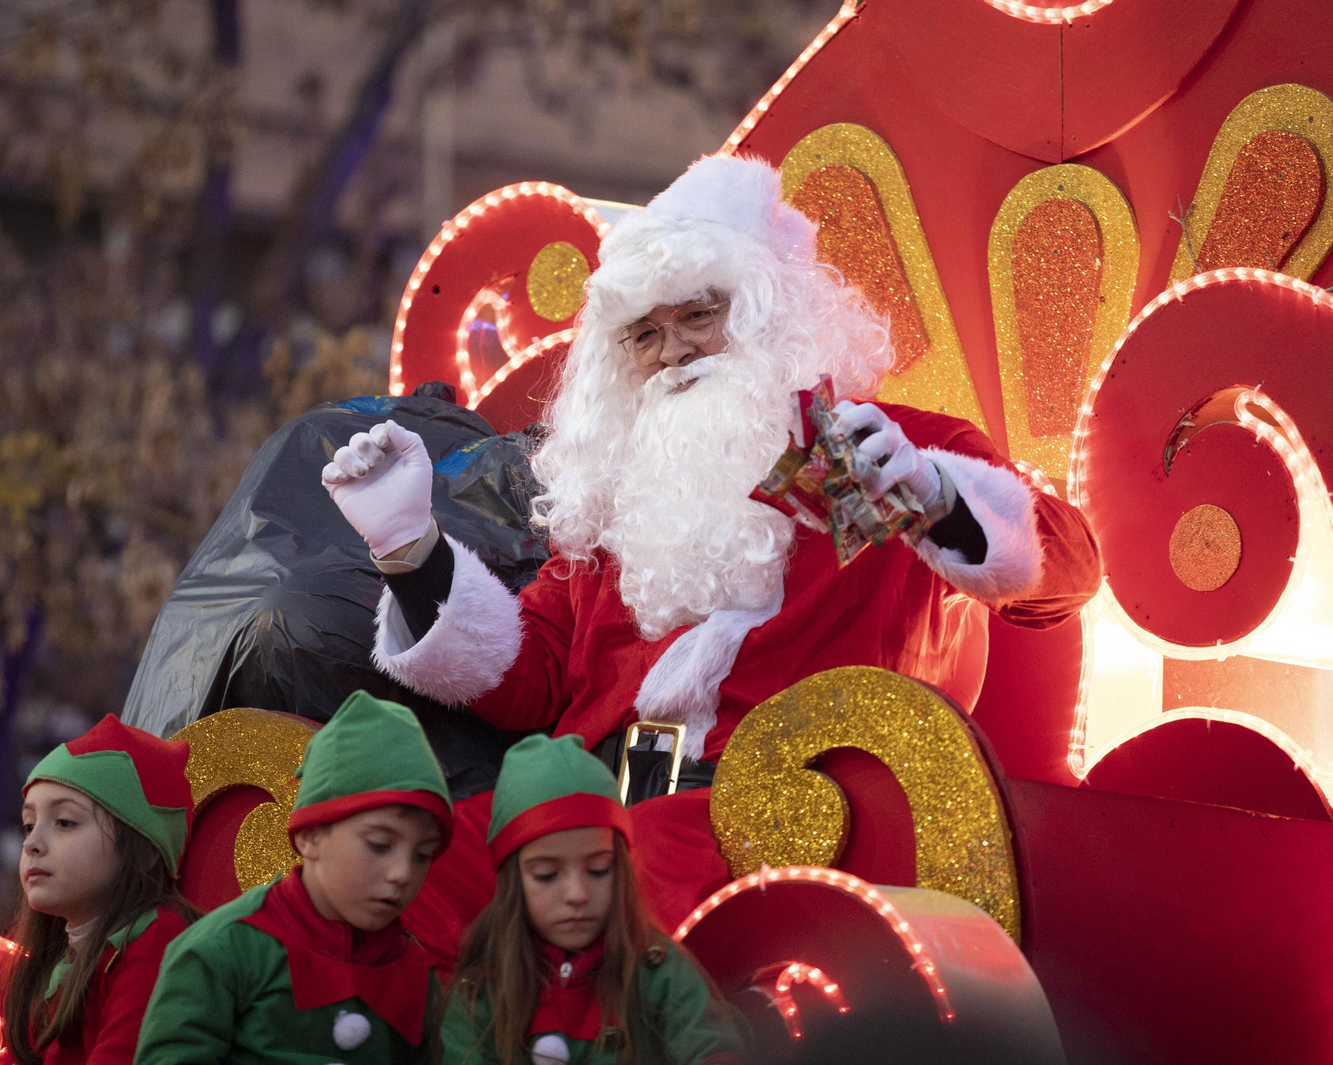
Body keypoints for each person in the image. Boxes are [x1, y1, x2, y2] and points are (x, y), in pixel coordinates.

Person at [321, 153, 1102, 941]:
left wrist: (934, 493)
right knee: (390, 877)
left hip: (784, 818)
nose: (672, 352)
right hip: (591, 807)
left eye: (698, 316)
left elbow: (1068, 572)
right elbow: (533, 674)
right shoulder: (619, 491)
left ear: (773, 313)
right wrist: (410, 547)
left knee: (637, 891)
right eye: (644, 334)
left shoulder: (892, 451)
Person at [133, 690, 452, 1065]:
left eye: (422, 854)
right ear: (310, 837)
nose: (403, 873)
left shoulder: (417, 975)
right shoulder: (220, 952)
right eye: (380, 845)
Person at [442, 734, 744, 1065]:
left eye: (599, 870)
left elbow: (710, 1044)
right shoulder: (481, 990)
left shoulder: (660, 971)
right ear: (513, 884)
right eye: (546, 874)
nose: (577, 894)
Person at [3, 715, 199, 1065]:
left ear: (146, 851)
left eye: (64, 822)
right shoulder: (62, 959)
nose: (32, 843)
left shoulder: (156, 940)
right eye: (28, 825)